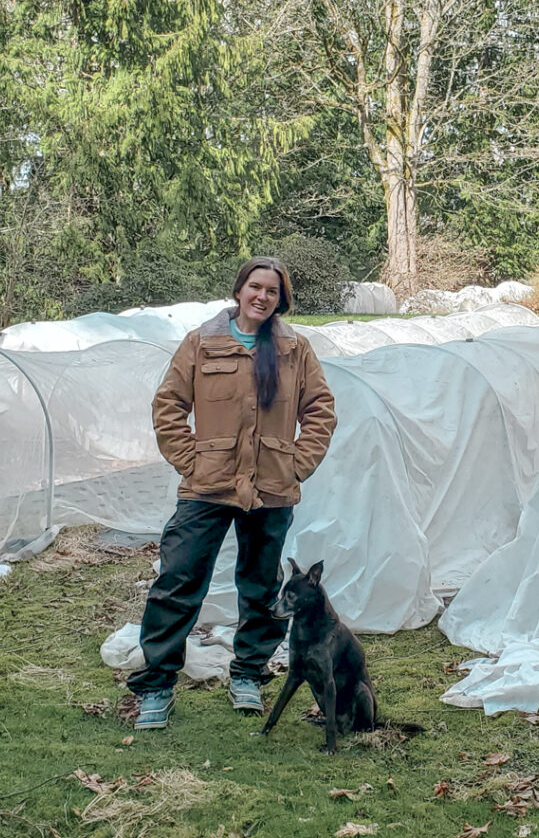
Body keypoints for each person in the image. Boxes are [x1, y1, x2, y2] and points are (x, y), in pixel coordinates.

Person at [127, 256, 337, 729]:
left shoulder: (294, 349)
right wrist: (191, 461)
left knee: (262, 589)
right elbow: (168, 406)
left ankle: (247, 673)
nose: (262, 297)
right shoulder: (202, 343)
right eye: (255, 287)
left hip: (271, 488)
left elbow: (321, 409)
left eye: (273, 291)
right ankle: (158, 686)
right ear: (239, 290)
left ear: (282, 300)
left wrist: (296, 465)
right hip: (208, 486)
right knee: (177, 582)